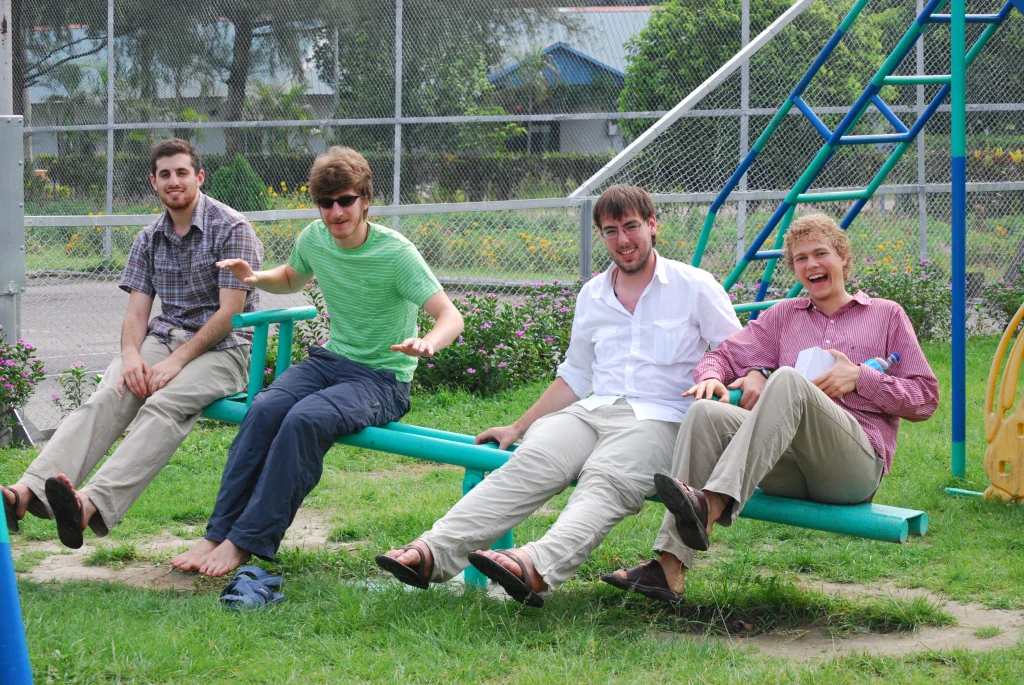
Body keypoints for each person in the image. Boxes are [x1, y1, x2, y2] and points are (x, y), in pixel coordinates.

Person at [376, 184, 742, 607]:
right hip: (594, 410)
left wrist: (726, 383)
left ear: (653, 225)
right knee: (531, 461)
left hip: (662, 419)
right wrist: (518, 426)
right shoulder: (593, 294)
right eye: (610, 231)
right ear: (600, 235)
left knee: (606, 479)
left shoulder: (694, 285)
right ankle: (433, 553)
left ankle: (536, 566)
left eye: (631, 227)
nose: (622, 240)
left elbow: (738, 353)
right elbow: (575, 375)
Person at [604, 213, 939, 604]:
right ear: (794, 269)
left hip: (852, 468)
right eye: (800, 259)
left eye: (821, 254)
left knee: (786, 379)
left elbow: (926, 400)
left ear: (843, 258)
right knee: (705, 412)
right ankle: (668, 567)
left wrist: (862, 378)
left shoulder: (886, 315)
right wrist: (716, 375)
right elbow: (725, 354)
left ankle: (708, 505)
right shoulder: (784, 316)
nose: (812, 265)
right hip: (789, 467)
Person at [170, 146, 464, 578]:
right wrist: (254, 277)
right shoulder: (315, 237)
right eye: (326, 203)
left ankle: (245, 542)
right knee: (265, 409)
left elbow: (450, 316)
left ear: (365, 200)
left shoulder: (396, 253)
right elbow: (292, 275)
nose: (336, 211)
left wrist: (428, 343)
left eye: (345, 200)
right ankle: (217, 534)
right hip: (331, 361)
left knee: (304, 419)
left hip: (382, 379)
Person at [1, 138, 263, 549]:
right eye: (165, 175)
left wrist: (174, 362)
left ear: (199, 176)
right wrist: (130, 358)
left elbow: (230, 313)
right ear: (153, 182)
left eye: (181, 172)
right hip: (166, 339)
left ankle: (87, 506)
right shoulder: (149, 238)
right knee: (110, 392)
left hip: (225, 349)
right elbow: (137, 314)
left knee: (164, 404)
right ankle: (24, 494)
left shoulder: (232, 228)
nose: (173, 181)